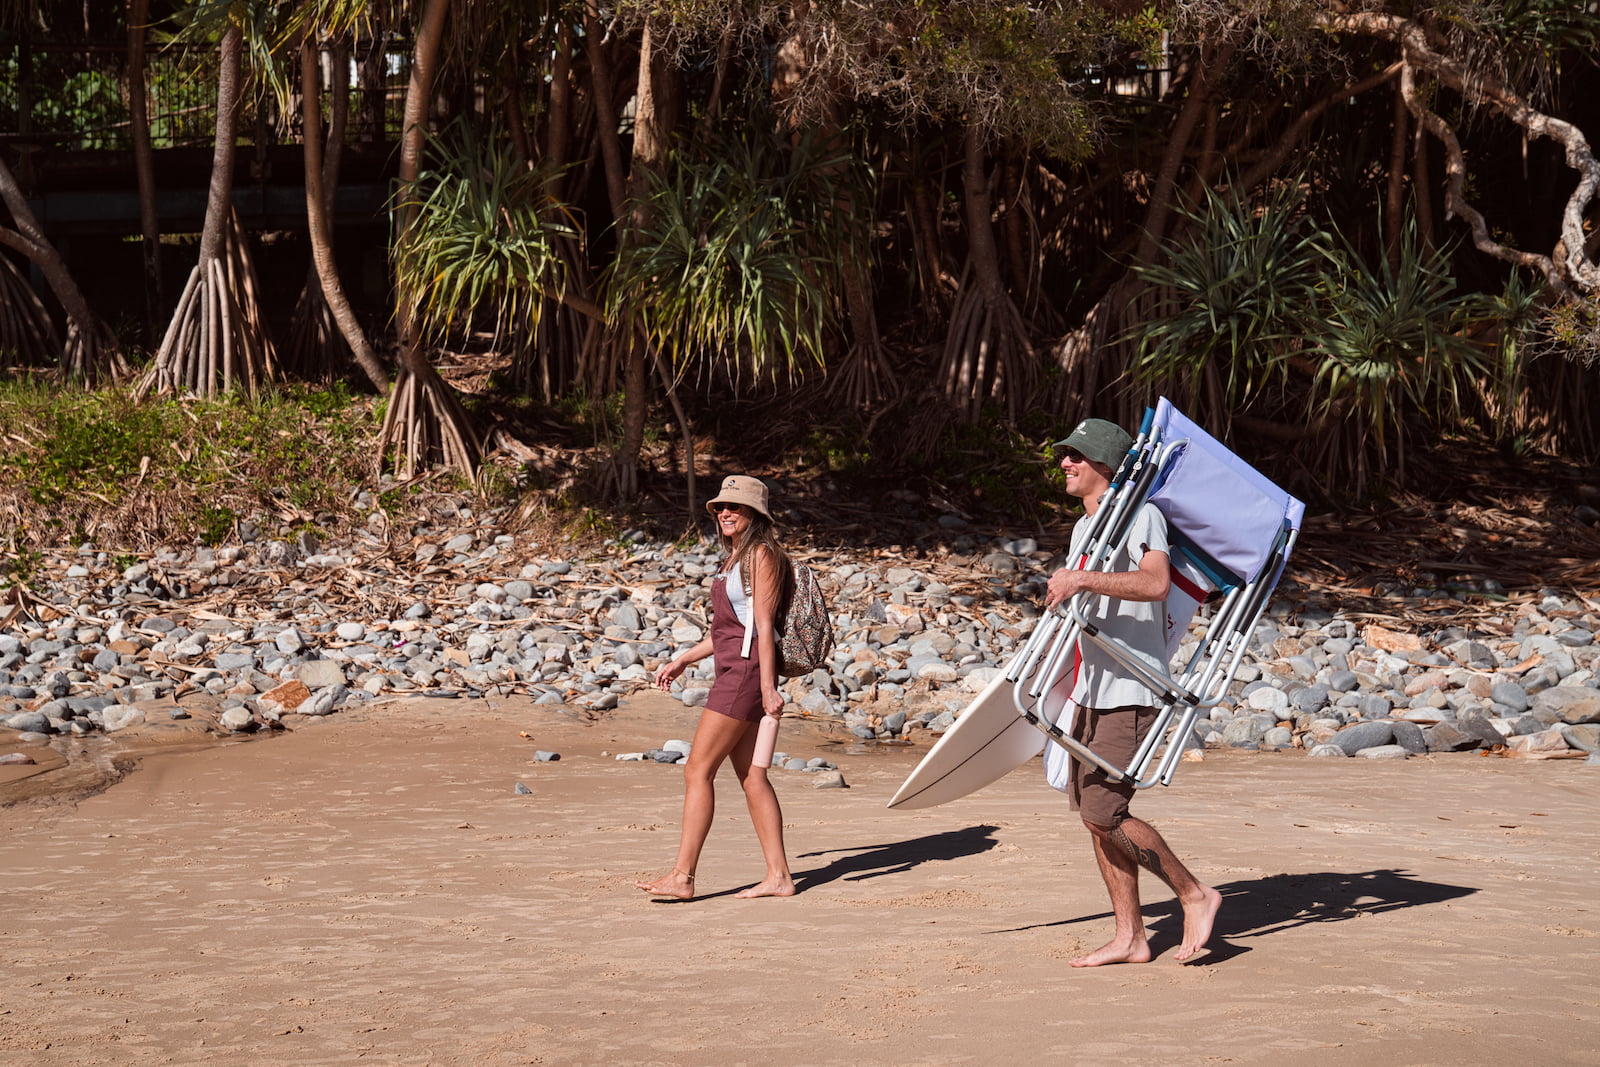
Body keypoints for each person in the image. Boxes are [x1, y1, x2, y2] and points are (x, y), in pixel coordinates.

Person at [1044, 417, 1222, 965]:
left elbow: (1154, 583)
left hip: (1132, 686)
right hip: (1093, 686)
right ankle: (1131, 937)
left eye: (1075, 455)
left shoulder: (1141, 516)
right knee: (1093, 818)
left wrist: (1080, 580)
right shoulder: (1084, 527)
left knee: (1105, 813)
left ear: (1104, 464)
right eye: (1064, 455)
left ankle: (1195, 893)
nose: (1065, 464)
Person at [635, 475, 796, 901]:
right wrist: (683, 659)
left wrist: (767, 688)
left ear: (755, 515)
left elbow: (763, 626)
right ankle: (779, 877)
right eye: (721, 508)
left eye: (735, 507)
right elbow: (729, 630)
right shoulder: (733, 560)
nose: (724, 513)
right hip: (735, 669)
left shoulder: (762, 555)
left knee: (697, 770)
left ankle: (682, 877)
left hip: (745, 675)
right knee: (752, 776)